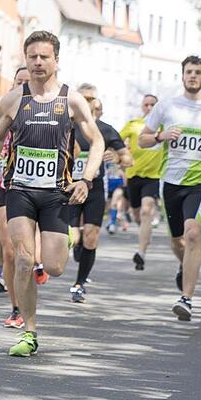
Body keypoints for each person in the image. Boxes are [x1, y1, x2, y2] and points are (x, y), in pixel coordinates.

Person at [0, 33, 101, 355]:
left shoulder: (71, 100)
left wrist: (85, 180)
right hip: (19, 189)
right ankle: (29, 332)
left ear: (56, 61)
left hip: (56, 193)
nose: (37, 62)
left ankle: (64, 239)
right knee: (22, 258)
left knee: (55, 266)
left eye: (44, 57)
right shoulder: (14, 99)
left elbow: (97, 142)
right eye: (32, 56)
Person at [139, 55, 201, 321]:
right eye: (189, 72)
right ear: (182, 75)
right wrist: (160, 136)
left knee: (192, 235)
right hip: (170, 181)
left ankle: (186, 299)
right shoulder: (166, 107)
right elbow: (143, 139)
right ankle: (184, 265)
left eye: (198, 72)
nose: (193, 76)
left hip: (200, 181)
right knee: (177, 240)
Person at [67, 96, 131, 303]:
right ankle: (77, 247)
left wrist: (118, 158)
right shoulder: (67, 125)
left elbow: (129, 158)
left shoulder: (106, 130)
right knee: (73, 237)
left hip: (94, 188)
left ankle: (79, 283)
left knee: (91, 236)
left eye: (96, 109)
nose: (92, 112)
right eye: (88, 107)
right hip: (69, 188)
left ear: (100, 112)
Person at [0, 66, 29, 329]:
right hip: (6, 183)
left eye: (26, 82)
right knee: (10, 250)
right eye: (18, 82)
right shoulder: (0, 114)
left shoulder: (48, 110)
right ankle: (16, 308)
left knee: (31, 254)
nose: (22, 87)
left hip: (39, 188)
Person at [120, 94, 164, 271]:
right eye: (146, 105)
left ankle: (141, 252)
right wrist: (120, 156)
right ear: (142, 107)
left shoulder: (165, 126)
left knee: (147, 211)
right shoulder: (134, 124)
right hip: (133, 175)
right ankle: (145, 234)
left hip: (154, 177)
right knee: (138, 215)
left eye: (153, 104)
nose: (149, 108)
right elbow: (116, 142)